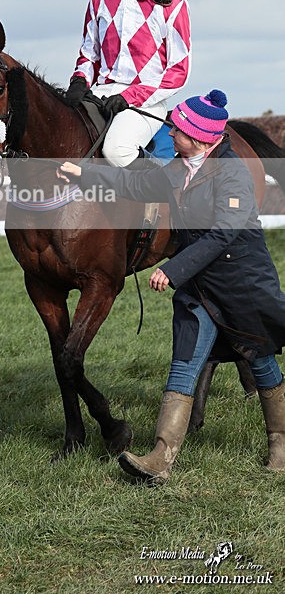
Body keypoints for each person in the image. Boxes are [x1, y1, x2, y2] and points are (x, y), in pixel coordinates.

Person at [59, 89, 285, 483]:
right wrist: (85, 173)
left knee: (262, 360)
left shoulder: (232, 172)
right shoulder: (179, 168)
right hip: (199, 287)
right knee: (184, 362)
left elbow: (222, 237)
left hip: (241, 285)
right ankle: (161, 458)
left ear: (197, 137)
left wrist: (173, 270)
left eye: (175, 131)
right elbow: (137, 186)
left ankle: (281, 446)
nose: (169, 136)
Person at [66, 0, 191, 167]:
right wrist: (79, 82)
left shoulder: (173, 2)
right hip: (100, 94)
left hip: (146, 101)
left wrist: (131, 96)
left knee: (116, 150)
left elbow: (178, 72)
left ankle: (160, 186)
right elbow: (89, 54)